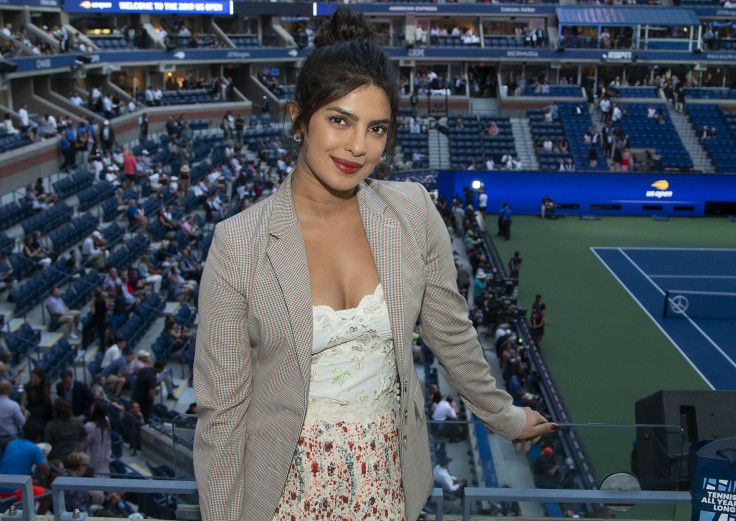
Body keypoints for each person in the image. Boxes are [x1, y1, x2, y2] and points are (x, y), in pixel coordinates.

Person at [193, 9, 553, 521]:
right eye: (340, 120)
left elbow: (452, 335)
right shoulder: (239, 244)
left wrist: (505, 415)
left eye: (377, 128)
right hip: (282, 494)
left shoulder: (412, 212)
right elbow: (222, 416)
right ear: (298, 117)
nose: (360, 147)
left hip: (388, 484)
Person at [0, 439, 51, 512]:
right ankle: (38, 518)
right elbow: (45, 472)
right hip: (12, 491)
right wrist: (44, 456)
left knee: (35, 483)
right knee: (48, 494)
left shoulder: (12, 443)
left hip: (2, 483)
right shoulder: (35, 449)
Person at [20, 368, 53, 443]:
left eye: (35, 378)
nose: (32, 380)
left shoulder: (47, 386)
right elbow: (22, 405)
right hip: (33, 415)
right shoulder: (27, 388)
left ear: (41, 379)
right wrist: (24, 410)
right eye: (31, 378)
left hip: (46, 414)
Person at [83, 401, 112, 478]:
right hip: (101, 456)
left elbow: (85, 445)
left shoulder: (89, 426)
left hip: (95, 458)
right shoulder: (106, 420)